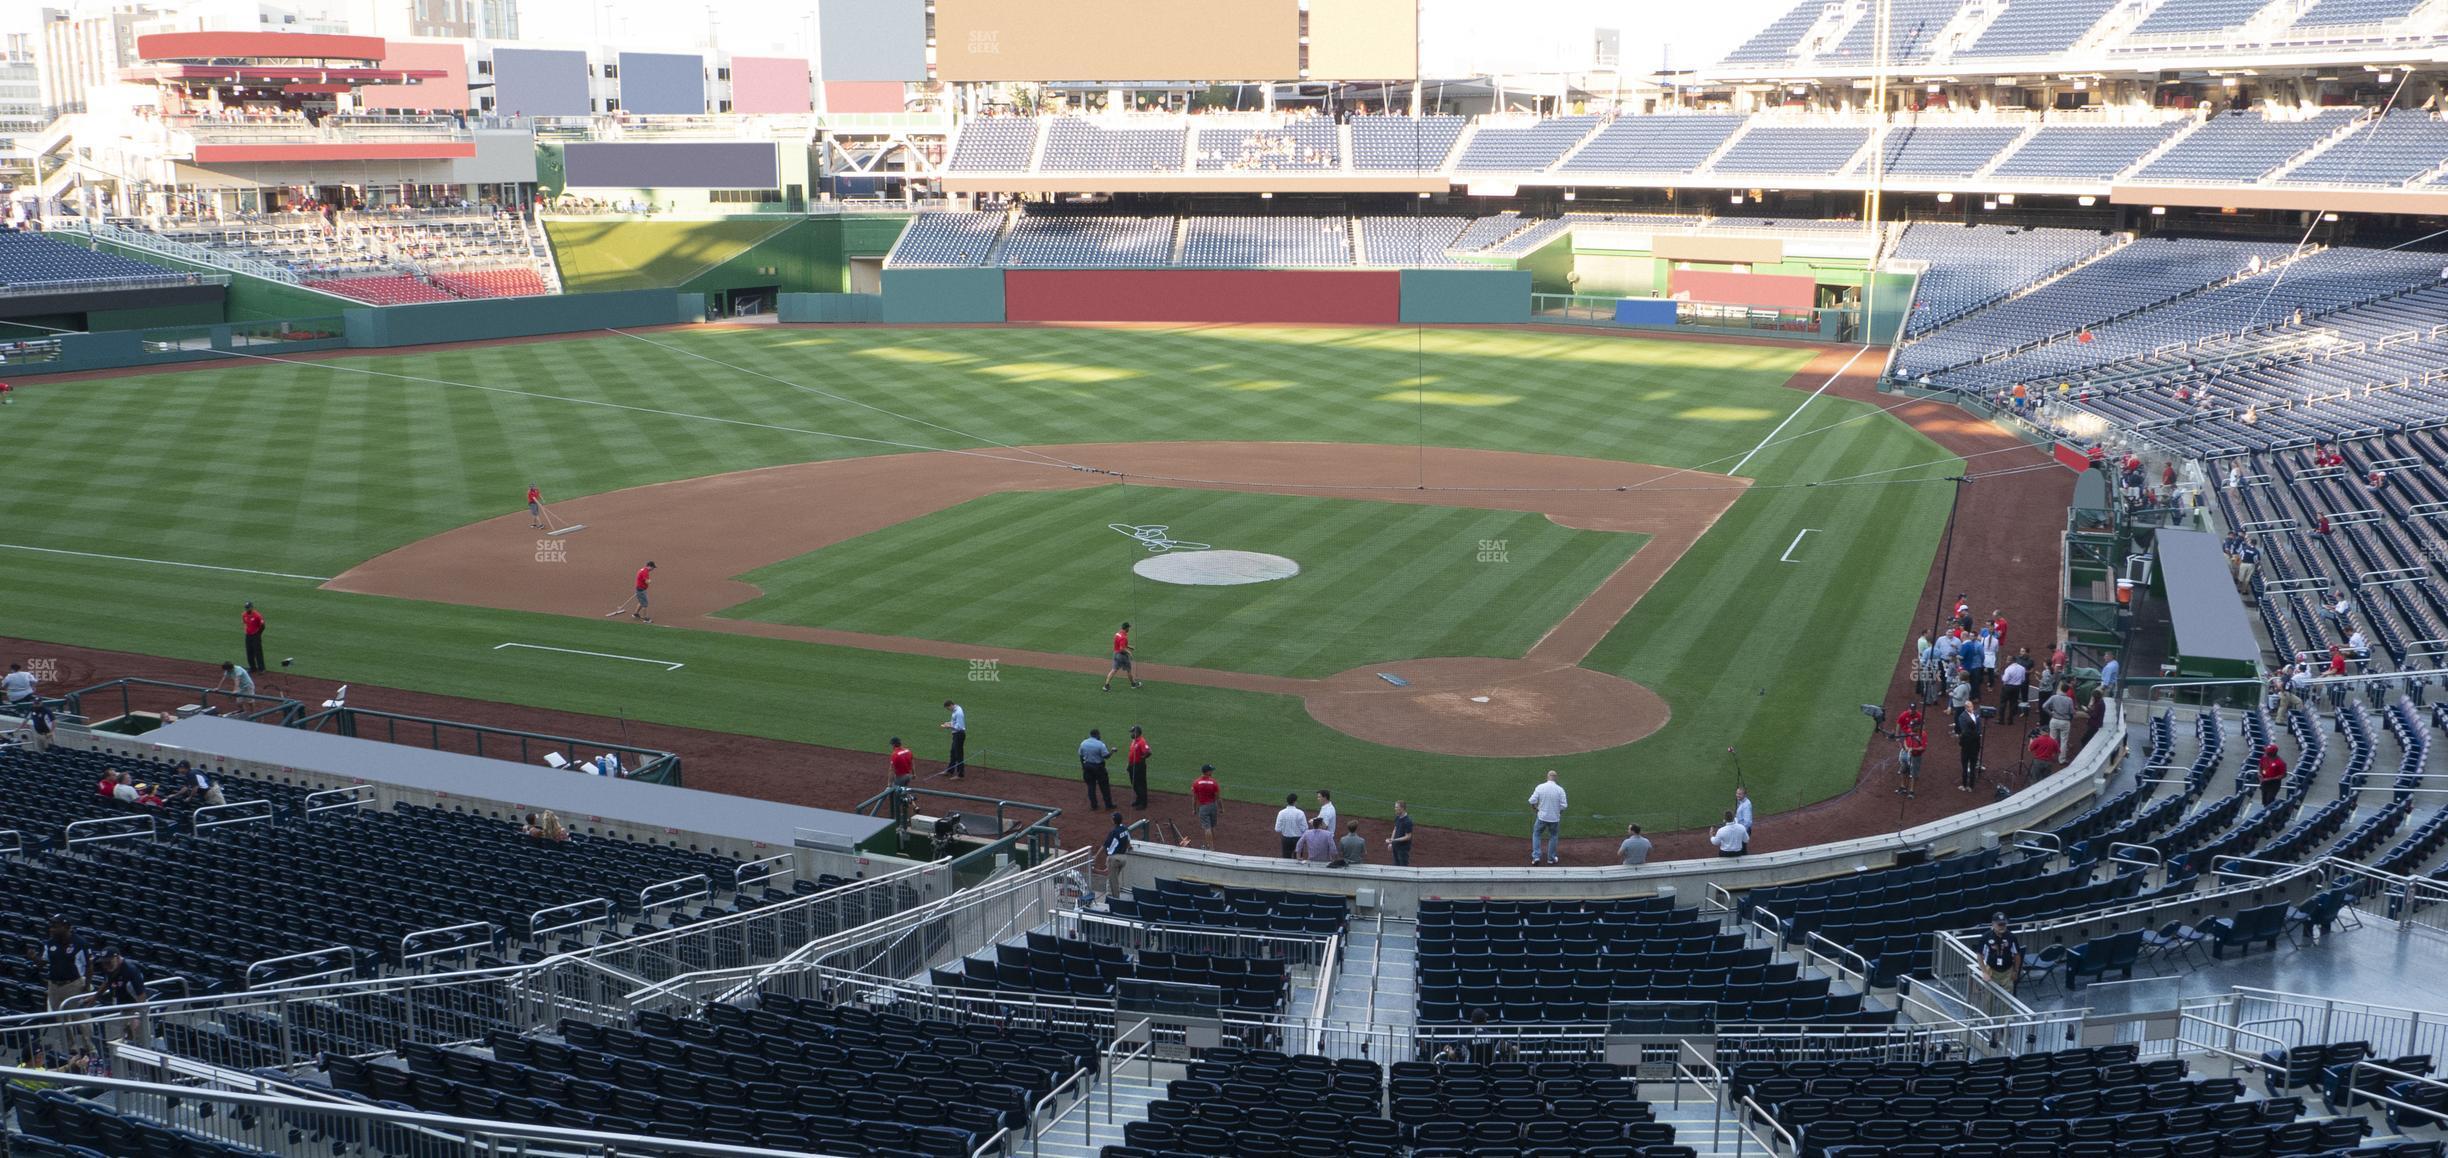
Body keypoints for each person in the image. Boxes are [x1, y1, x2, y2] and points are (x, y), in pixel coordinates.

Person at [32, 917, 90, 1051]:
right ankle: (71, 1049)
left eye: (55, 926)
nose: (51, 929)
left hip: (73, 984)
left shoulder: (80, 943)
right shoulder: (50, 943)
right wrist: (34, 958)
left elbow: (89, 966)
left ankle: (90, 1047)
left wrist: (86, 986)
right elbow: (43, 963)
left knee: (80, 1018)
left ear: (65, 927)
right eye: (51, 926)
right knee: (61, 1019)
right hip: (54, 985)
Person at [88, 946, 148, 1045]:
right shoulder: (110, 968)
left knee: (139, 1042)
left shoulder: (130, 970)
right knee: (127, 1039)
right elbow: (107, 982)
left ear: (117, 958)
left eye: (108, 962)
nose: (106, 965)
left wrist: (137, 1017)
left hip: (135, 1008)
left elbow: (142, 996)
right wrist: (95, 997)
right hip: (123, 1008)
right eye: (104, 962)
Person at [1980, 914, 2023, 999]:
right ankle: (1987, 1013)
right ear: (1993, 924)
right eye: (1999, 924)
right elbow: (1979, 955)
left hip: (2007, 971)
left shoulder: (2011, 937)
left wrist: (2016, 971)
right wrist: (1984, 972)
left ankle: (2006, 1013)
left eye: (2004, 924)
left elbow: (2017, 955)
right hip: (1991, 970)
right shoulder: (1986, 937)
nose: (2002, 927)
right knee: (1988, 997)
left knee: (2008, 998)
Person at [1528, 771, 1567, 866]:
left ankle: (1536, 857)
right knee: (1553, 836)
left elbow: (1532, 801)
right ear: (1556, 778)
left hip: (1542, 817)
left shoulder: (1540, 787)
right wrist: (1558, 813)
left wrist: (1535, 809)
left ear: (1547, 777)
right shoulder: (1560, 790)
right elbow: (1564, 806)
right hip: (1554, 818)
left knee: (1536, 834)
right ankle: (1551, 859)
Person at [1078, 729, 1114, 809]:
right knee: (1104, 786)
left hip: (1087, 767)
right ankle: (1108, 805)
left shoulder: (1083, 743)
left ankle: (1094, 805)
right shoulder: (1100, 744)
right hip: (1098, 768)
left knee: (1091, 787)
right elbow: (1106, 756)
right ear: (1097, 735)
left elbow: (1081, 755)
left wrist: (1083, 766)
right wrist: (1112, 751)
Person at [1954, 702, 1985, 791]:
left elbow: (1961, 743)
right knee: (1972, 768)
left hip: (1966, 751)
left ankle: (1964, 785)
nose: (1971, 708)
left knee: (1965, 768)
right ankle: (1971, 786)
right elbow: (1979, 744)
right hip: (1974, 752)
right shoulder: (1976, 735)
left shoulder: (1965, 735)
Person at [1102, 621, 1141, 691]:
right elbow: (1122, 649)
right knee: (1129, 670)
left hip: (1115, 654)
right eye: (1128, 627)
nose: (1129, 629)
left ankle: (1106, 685)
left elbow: (1120, 644)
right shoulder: (1124, 637)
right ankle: (1133, 684)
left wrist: (1129, 647)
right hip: (1122, 656)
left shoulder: (1118, 634)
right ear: (1126, 628)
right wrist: (1129, 652)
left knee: (1113, 670)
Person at [1191, 764, 1221, 848]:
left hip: (1203, 807)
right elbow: (1218, 798)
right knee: (1212, 826)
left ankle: (1210, 847)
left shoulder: (1196, 782)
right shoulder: (1214, 782)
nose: (1212, 772)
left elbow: (1194, 798)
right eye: (1211, 770)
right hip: (1213, 806)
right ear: (1207, 772)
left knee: (1207, 827)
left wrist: (1194, 809)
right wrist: (1221, 808)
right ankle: (1212, 842)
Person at [1125, 725, 1151, 809]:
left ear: (1137, 733)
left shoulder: (1141, 741)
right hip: (1132, 765)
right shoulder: (1134, 741)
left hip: (1139, 766)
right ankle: (1139, 799)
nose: (1131, 733)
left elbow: (1148, 752)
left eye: (1132, 732)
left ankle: (1143, 803)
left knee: (1140, 784)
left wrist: (1142, 758)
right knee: (1135, 784)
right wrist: (1129, 765)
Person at [939, 700, 966, 780]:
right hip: (956, 735)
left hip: (959, 735)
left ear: (951, 705)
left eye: (948, 708)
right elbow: (955, 722)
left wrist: (948, 726)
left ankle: (960, 774)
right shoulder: (956, 710)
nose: (948, 710)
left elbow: (960, 727)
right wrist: (949, 723)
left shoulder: (958, 712)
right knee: (953, 753)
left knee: (959, 754)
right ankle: (950, 771)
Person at [1998, 653, 2028, 723]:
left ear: (2011, 661)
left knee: (2003, 703)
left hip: (2007, 687)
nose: (2006, 661)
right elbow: (2023, 679)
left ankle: (2001, 720)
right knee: (2013, 703)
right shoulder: (2022, 668)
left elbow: (2004, 679)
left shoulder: (2008, 669)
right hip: (2017, 688)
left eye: (2008, 660)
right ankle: (2010, 720)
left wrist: (2002, 676)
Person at [1274, 793, 1306, 858]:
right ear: (1295, 802)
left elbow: (1277, 829)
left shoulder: (1281, 813)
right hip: (1298, 839)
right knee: (1298, 859)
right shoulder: (1300, 813)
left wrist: (1285, 828)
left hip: (1286, 839)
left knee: (1286, 858)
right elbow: (1305, 828)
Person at [241, 601, 266, 673]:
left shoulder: (257, 615)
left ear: (252, 607)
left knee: (258, 652)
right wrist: (245, 630)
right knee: (249, 651)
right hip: (248, 636)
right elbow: (245, 623)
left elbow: (263, 626)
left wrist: (258, 634)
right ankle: (253, 668)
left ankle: (261, 668)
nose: (247, 609)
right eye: (246, 608)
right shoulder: (244, 615)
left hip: (256, 636)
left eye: (248, 608)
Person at [1388, 800, 1414, 866]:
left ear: (1402, 808)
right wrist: (1391, 842)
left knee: (1403, 867)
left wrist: (1394, 840)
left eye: (1397, 807)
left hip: (1403, 849)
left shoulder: (1408, 821)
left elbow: (1408, 836)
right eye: (1395, 807)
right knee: (1395, 865)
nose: (1395, 809)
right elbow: (1395, 829)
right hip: (1395, 846)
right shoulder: (1397, 817)